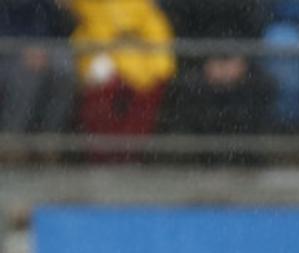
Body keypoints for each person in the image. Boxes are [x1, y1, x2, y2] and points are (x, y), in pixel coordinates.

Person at [159, 0, 276, 165]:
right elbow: (176, 25)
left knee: (262, 85)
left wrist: (239, 58)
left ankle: (245, 157)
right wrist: (203, 59)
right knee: (189, 87)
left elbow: (254, 23)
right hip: (194, 61)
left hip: (240, 60)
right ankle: (204, 158)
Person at [69, 0, 175, 162]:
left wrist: (161, 67)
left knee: (146, 99)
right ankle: (103, 156)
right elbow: (90, 26)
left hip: (140, 65)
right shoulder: (91, 7)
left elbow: (157, 32)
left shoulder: (143, 7)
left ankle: (128, 155)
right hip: (101, 59)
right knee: (100, 97)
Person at [0, 0, 76, 139]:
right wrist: (23, 48)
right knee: (27, 75)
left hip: (45, 47)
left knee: (64, 70)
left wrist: (64, 10)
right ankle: (11, 139)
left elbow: (60, 28)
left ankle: (48, 140)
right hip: (8, 51)